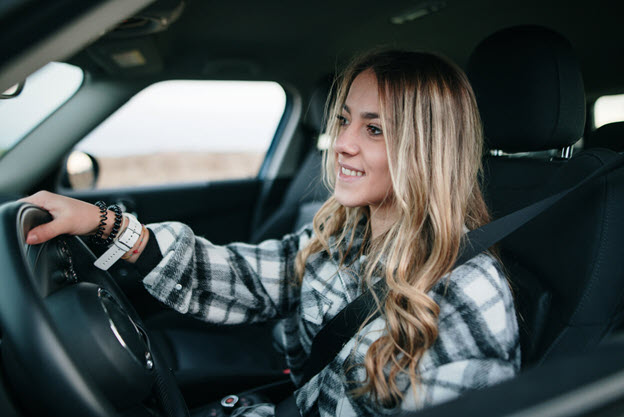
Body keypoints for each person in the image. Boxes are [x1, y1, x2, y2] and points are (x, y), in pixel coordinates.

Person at [22, 50, 520, 416]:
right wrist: (106, 225)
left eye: (374, 129)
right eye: (344, 120)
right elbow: (247, 277)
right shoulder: (346, 232)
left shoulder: (470, 292)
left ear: (426, 148)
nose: (341, 143)